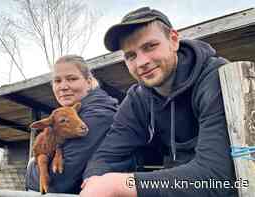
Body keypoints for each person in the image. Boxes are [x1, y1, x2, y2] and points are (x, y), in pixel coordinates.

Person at [80, 7, 237, 197]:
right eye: (131, 56)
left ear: (173, 40)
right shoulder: (138, 98)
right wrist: (95, 180)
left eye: (150, 46)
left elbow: (216, 177)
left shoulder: (218, 79)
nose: (141, 62)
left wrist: (121, 184)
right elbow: (106, 156)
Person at [25, 55, 118, 193]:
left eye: (72, 79)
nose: (63, 87)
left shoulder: (98, 114)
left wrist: (31, 166)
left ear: (88, 81)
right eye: (57, 81)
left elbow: (59, 179)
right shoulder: (76, 112)